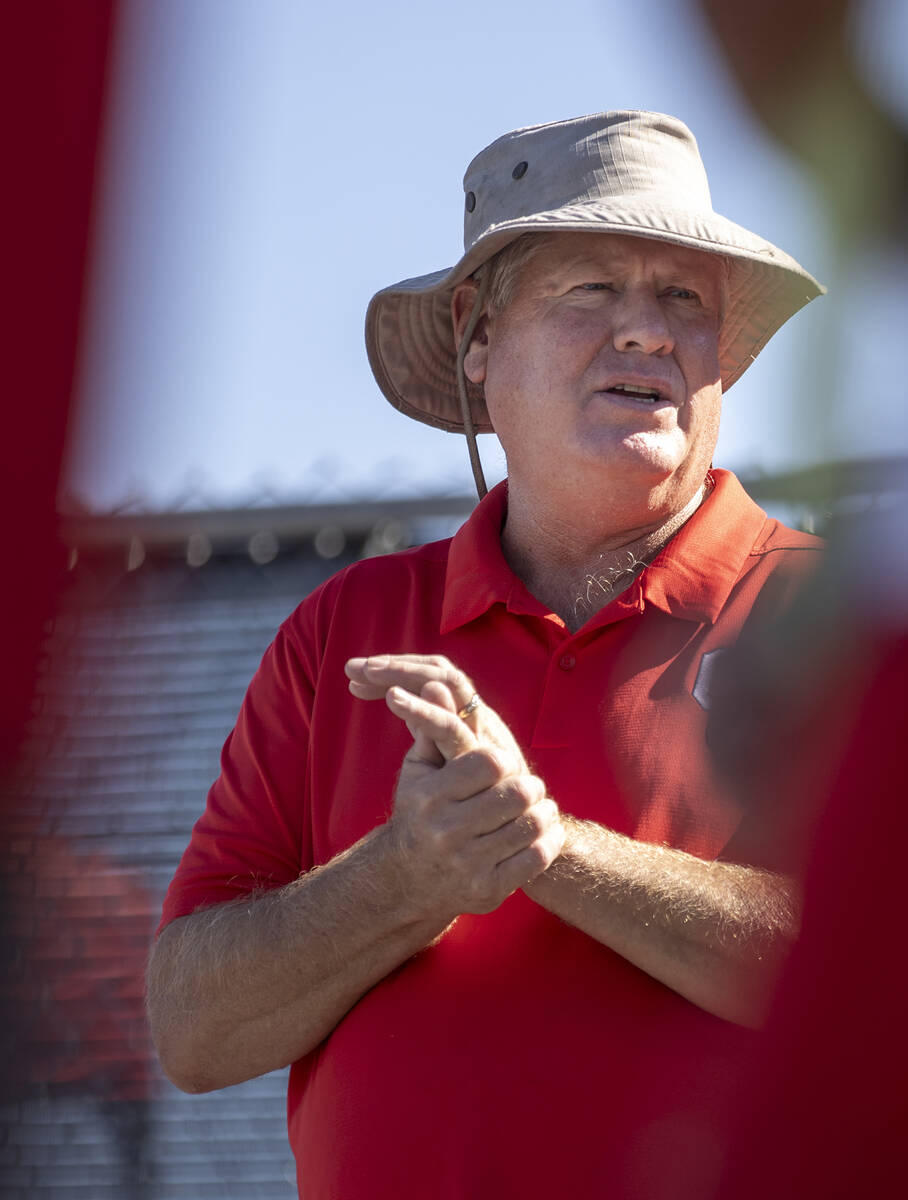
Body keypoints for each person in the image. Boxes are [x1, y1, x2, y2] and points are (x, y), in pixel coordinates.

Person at [147, 111, 824, 1199]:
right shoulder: (340, 629)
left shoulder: (834, 616)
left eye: (683, 298)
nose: (645, 331)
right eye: (591, 289)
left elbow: (884, 979)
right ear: (476, 334)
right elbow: (192, 1030)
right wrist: (402, 877)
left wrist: (551, 849)